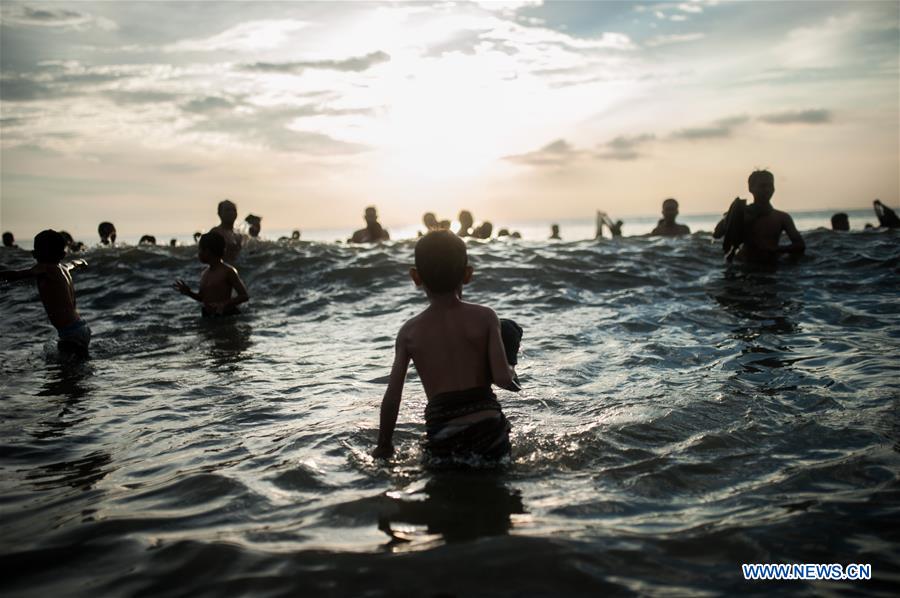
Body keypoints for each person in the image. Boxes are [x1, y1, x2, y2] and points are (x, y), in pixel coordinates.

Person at [372, 230, 522, 464]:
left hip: (442, 429)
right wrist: (510, 362)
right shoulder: (486, 317)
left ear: (416, 277)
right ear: (468, 274)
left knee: (444, 486)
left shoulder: (409, 332)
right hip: (488, 424)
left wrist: (384, 446)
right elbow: (503, 379)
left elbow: (393, 397)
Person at [0, 230, 91, 357]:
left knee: (67, 373)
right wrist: (82, 262)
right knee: (77, 368)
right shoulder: (64, 268)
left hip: (70, 333)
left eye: (36, 250)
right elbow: (74, 263)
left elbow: (18, 274)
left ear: (38, 253)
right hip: (80, 327)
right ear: (62, 254)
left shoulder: (45, 268)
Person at [721, 170, 805, 263]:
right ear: (751, 188)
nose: (767, 189)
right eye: (762, 186)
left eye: (770, 185)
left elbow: (800, 245)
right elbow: (718, 234)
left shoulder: (782, 217)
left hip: (772, 265)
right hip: (744, 265)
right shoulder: (741, 213)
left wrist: (776, 249)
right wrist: (731, 215)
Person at [173, 232, 249, 317]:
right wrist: (189, 292)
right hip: (208, 315)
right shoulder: (205, 273)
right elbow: (202, 298)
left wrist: (224, 304)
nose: (198, 253)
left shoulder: (228, 271)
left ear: (208, 251)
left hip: (225, 315)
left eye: (200, 250)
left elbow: (244, 296)